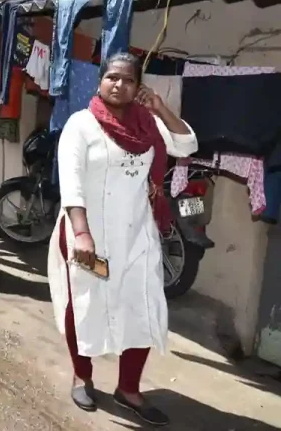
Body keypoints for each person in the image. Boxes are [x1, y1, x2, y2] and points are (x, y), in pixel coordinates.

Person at [48, 53, 197, 426]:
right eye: (112, 77)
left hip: (137, 237)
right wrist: (81, 233)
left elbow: (186, 144)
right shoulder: (80, 125)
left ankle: (128, 389)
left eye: (128, 80)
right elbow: (72, 184)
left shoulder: (147, 125)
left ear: (137, 86)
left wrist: (162, 109)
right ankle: (82, 376)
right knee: (84, 305)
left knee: (141, 309)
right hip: (87, 239)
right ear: (100, 81)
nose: (119, 84)